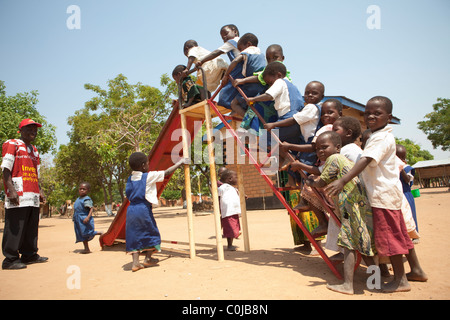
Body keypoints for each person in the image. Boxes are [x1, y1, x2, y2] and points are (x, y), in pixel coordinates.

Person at [325, 96, 428, 292]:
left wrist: (343, 180)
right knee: (398, 235)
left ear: (389, 117)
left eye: (377, 113)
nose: (371, 116)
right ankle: (414, 270)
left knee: (389, 239)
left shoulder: (380, 138)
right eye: (367, 113)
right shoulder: (377, 135)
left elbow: (366, 160)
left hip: (382, 197)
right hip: (386, 195)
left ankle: (400, 281)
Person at [306, 131, 376, 295]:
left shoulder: (334, 159)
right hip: (361, 205)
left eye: (324, 147)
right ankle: (377, 280)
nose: (321, 151)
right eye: (317, 149)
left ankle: (348, 285)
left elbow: (322, 181)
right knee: (364, 243)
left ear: (337, 147)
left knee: (349, 244)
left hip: (350, 205)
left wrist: (309, 181)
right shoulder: (344, 160)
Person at [125, 152, 188, 272]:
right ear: (143, 165)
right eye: (148, 164)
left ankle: (135, 263)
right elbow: (167, 172)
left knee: (134, 235)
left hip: (131, 210)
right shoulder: (148, 176)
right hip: (143, 209)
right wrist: (180, 162)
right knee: (151, 232)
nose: (149, 166)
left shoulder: (130, 178)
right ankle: (148, 259)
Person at [1, 119, 48, 269]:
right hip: (18, 193)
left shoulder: (34, 150)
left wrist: (40, 191)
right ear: (20, 130)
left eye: (35, 129)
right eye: (29, 129)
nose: (32, 132)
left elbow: (35, 173)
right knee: (15, 226)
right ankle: (10, 259)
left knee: (31, 227)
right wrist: (11, 190)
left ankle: (29, 255)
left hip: (32, 195)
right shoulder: (12, 144)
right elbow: (6, 169)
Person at [220, 33, 267, 115]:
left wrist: (226, 75)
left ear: (248, 44)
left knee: (234, 104)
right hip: (262, 85)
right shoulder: (262, 55)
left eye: (240, 49)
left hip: (251, 84)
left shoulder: (248, 50)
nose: (240, 51)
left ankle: (248, 121)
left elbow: (235, 61)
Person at [396, 144, 419, 242]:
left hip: (406, 194)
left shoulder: (407, 168)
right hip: (398, 194)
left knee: (411, 214)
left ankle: (415, 234)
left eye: (401, 158)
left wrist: (401, 170)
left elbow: (407, 180)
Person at [73, 182, 102, 254]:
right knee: (82, 233)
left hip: (84, 219)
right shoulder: (78, 199)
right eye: (80, 189)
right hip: (78, 219)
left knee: (87, 232)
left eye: (84, 189)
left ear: (88, 190)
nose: (82, 190)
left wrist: (87, 217)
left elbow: (91, 208)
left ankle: (99, 233)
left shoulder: (86, 199)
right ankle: (86, 248)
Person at [218, 169, 241, 251]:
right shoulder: (223, 187)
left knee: (234, 228)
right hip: (228, 212)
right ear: (230, 179)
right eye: (236, 177)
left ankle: (231, 243)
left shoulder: (233, 188)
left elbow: (238, 194)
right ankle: (229, 245)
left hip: (234, 211)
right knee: (230, 229)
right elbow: (217, 193)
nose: (237, 179)